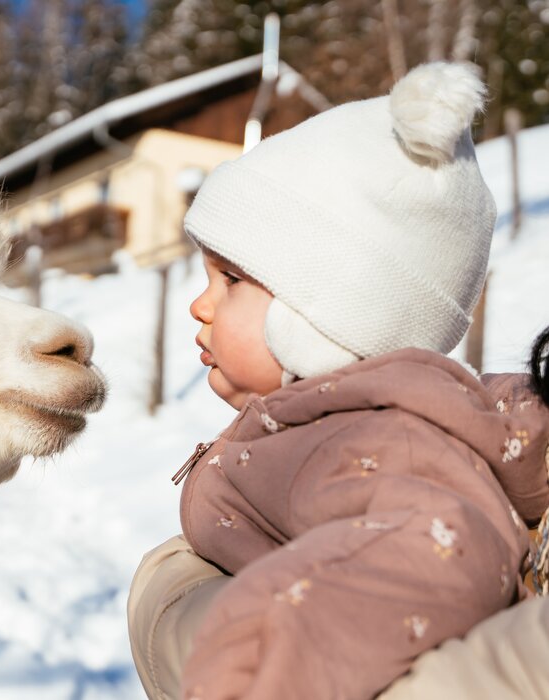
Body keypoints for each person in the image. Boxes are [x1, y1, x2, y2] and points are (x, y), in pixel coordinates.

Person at [127, 61, 549, 700]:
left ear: (324, 318)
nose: (200, 305)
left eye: (232, 280)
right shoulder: (330, 425)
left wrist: (252, 673)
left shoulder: (377, 440)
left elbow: (434, 553)